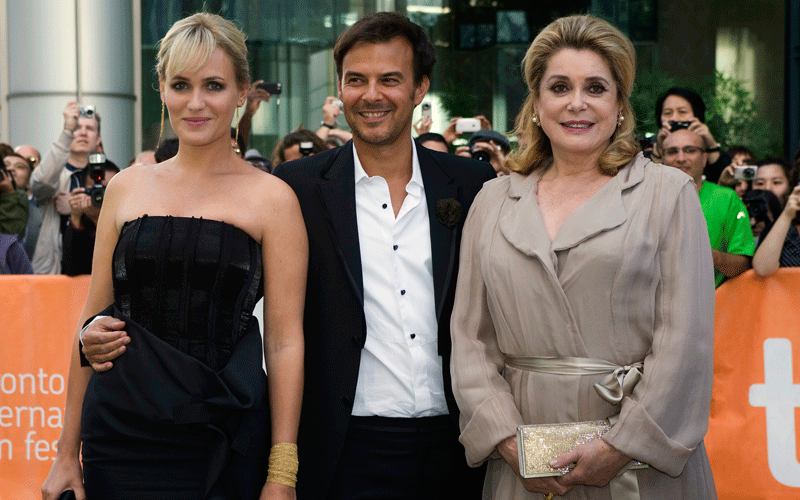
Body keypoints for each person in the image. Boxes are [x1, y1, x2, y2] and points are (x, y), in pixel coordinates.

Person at [450, 14, 717, 499]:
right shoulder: (491, 201)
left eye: (596, 87)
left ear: (619, 105)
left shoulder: (667, 194)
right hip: (523, 461)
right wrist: (509, 441)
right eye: (559, 87)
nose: (577, 103)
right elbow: (469, 341)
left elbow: (686, 343)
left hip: (641, 466)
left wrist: (620, 446)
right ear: (536, 104)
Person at [41, 12, 307, 500]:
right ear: (161, 89)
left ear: (242, 92)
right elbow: (91, 321)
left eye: (215, 85)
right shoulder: (125, 188)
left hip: (223, 433)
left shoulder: (273, 199)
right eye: (181, 84)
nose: (197, 102)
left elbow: (285, 343)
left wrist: (282, 471)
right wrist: (64, 453)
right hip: (119, 433)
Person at [272, 12, 495, 500]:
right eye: (356, 80)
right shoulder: (296, 189)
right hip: (343, 452)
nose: (371, 94)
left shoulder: (476, 186)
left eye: (390, 79)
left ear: (420, 89)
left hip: (461, 448)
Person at [662, 129, 754, 287]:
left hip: (713, 307)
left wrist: (712, 256)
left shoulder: (726, 199)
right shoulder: (645, 198)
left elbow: (744, 265)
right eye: (672, 152)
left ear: (704, 159)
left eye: (690, 150)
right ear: (662, 159)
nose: (680, 158)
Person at [29, 103, 102, 274]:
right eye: (77, 127)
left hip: (94, 272)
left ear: (98, 139)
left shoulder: (108, 173)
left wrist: (77, 208)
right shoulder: (54, 173)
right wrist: (67, 131)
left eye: (90, 129)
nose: (83, 132)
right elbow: (40, 182)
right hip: (54, 272)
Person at [650, 87, 730, 183]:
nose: (674, 118)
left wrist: (711, 145)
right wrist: (659, 148)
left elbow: (726, 181)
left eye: (682, 112)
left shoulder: (706, 148)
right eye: (668, 113)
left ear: (697, 117)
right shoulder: (644, 152)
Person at [61, 159, 119, 276]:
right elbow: (71, 270)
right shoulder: (81, 220)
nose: (102, 195)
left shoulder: (126, 219)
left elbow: (116, 267)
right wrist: (76, 216)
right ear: (84, 190)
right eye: (96, 189)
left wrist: (98, 219)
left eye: (109, 188)